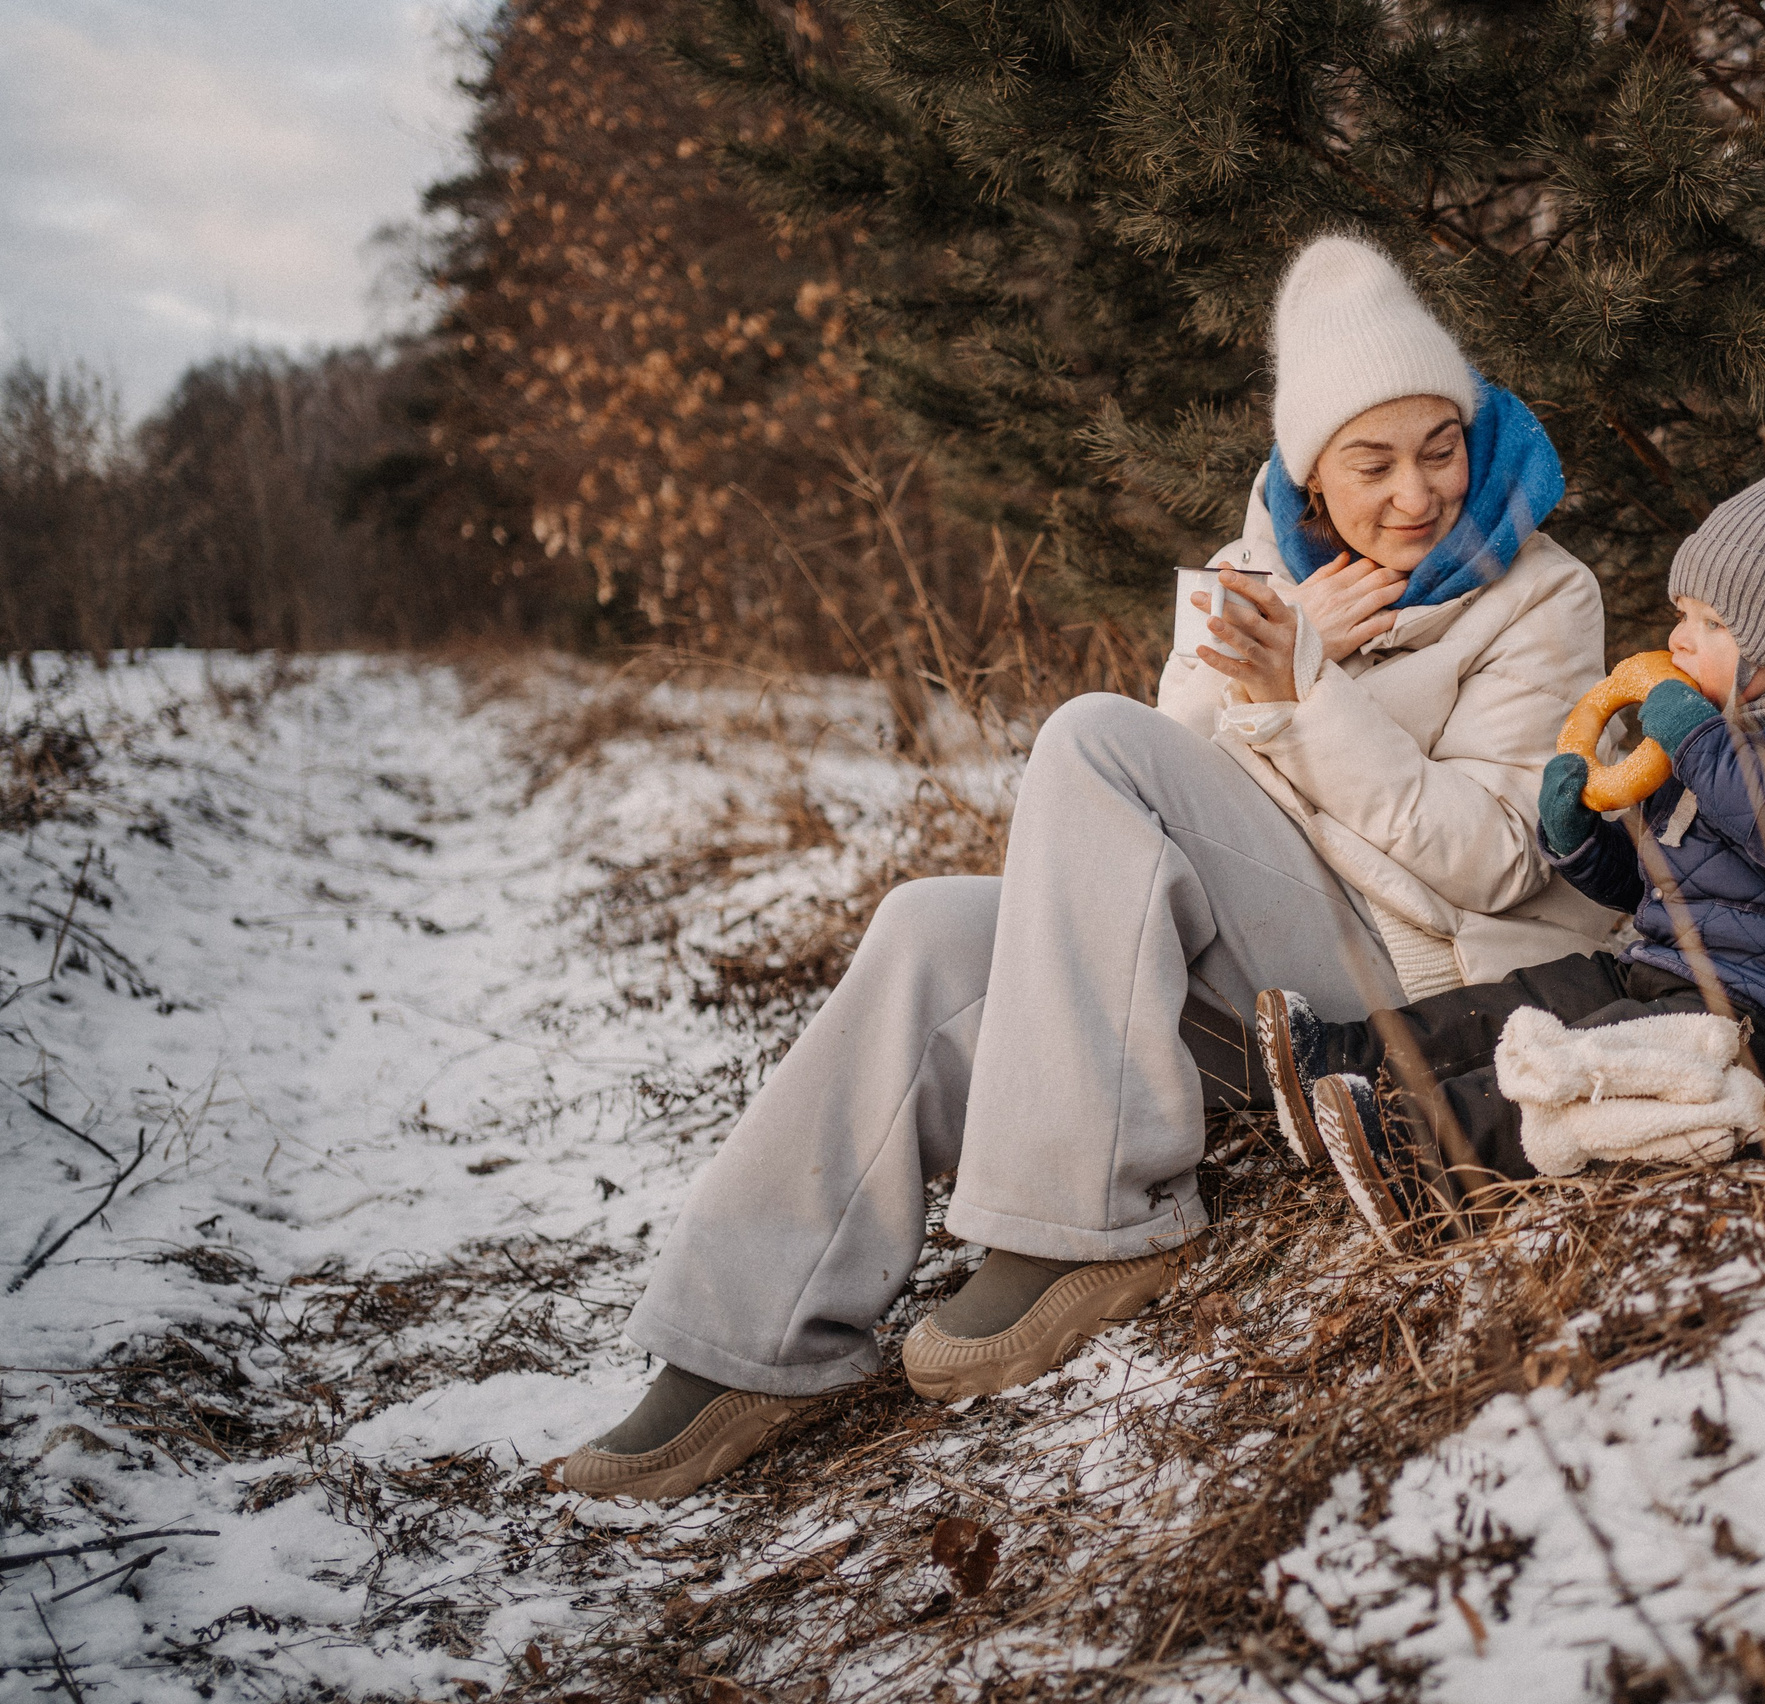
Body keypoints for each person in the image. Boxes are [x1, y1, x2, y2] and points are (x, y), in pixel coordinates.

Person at [548, 235, 1614, 1500]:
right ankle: (747, 1338)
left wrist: (1307, 690)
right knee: (931, 931)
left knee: (1092, 738)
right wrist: (1267, 664)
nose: (1417, 496)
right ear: (1310, 481)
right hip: (1269, 959)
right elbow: (1185, 782)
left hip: (1419, 982)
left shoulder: (1541, 596)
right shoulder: (1258, 575)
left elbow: (1495, 863)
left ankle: (1087, 1222)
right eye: (1371, 465)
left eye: (1440, 448)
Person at [1252, 427, 1765, 1246]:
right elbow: (1657, 881)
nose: (1678, 641)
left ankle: (1423, 1160)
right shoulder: (1714, 729)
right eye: (1681, 616)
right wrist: (1580, 838)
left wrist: (1700, 743)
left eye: (1709, 622)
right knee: (1528, 997)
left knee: (1588, 1054)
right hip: (1674, 969)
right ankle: (1348, 1066)